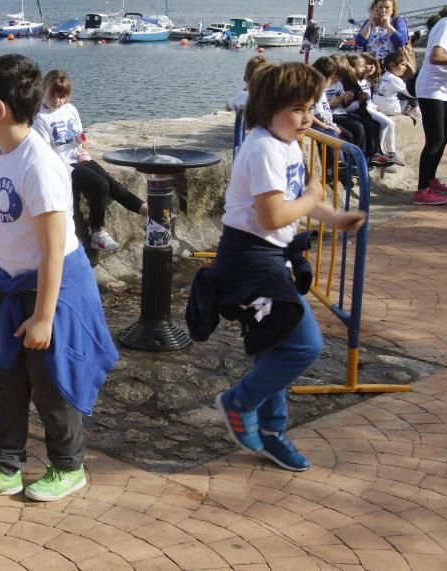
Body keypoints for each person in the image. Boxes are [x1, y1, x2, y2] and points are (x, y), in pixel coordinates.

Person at [0, 54, 118, 503]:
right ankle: (4, 468)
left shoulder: (38, 164)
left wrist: (44, 317)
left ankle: (69, 467)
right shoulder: (0, 154)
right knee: (7, 378)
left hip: (54, 287)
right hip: (13, 283)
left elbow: (52, 247)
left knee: (51, 381)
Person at [188, 62, 366, 472]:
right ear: (269, 109)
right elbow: (272, 215)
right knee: (305, 344)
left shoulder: (285, 144)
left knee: (276, 345)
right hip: (250, 261)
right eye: (298, 110)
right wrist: (315, 195)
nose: (308, 119)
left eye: (311, 108)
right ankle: (239, 402)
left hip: (268, 258)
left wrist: (334, 218)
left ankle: (272, 432)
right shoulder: (264, 147)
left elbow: (294, 200)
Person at [31, 70, 146, 259]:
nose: (57, 100)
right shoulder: (40, 117)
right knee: (100, 184)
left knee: (111, 183)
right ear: (44, 89)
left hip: (78, 157)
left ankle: (150, 212)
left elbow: (80, 135)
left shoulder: (70, 109)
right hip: (62, 165)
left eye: (62, 96)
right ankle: (97, 232)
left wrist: (85, 152)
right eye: (53, 95)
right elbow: (46, 153)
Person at [413, 10, 447, 205]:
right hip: (430, 87)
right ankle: (422, 190)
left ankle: (431, 180)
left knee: (446, 135)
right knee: (435, 138)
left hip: (444, 88)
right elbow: (436, 57)